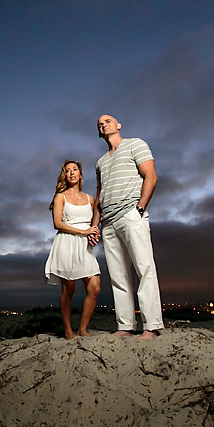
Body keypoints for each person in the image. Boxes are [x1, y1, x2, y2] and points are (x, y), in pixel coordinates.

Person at [94, 115, 164, 340]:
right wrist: (95, 224)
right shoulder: (101, 162)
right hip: (108, 222)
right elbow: (99, 194)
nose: (103, 124)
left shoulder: (135, 144)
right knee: (118, 276)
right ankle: (125, 325)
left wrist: (141, 207)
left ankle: (151, 326)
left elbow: (150, 176)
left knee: (144, 268)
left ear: (118, 125)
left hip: (131, 214)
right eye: (99, 124)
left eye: (107, 121)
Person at [44, 160, 102, 339]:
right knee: (68, 290)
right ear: (64, 175)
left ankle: (82, 329)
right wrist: (83, 231)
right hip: (66, 243)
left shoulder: (89, 198)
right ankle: (68, 330)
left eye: (75, 169)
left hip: (84, 247)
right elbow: (57, 224)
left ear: (81, 174)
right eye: (67, 171)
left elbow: (94, 220)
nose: (71, 173)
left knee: (94, 288)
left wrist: (93, 232)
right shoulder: (60, 197)